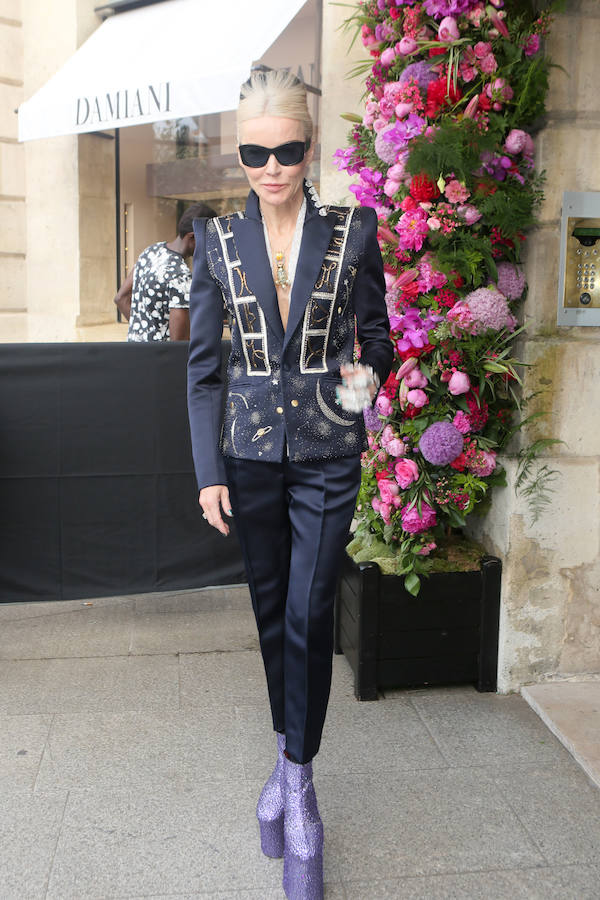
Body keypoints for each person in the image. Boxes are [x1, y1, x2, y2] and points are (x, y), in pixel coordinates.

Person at [187, 69, 393, 900]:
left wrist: (358, 391)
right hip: (246, 457)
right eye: (255, 153)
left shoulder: (352, 231)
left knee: (310, 611)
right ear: (238, 154)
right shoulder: (216, 240)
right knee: (273, 615)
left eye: (288, 150)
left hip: (327, 454)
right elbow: (204, 370)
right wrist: (208, 473)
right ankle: (284, 758)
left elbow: (378, 340)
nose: (271, 167)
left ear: (310, 149)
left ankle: (299, 787)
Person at [113, 202, 217, 341]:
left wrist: (145, 329)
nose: (210, 246)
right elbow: (179, 342)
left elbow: (121, 298)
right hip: (161, 354)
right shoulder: (180, 275)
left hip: (135, 350)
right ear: (192, 237)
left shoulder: (151, 252)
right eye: (209, 240)